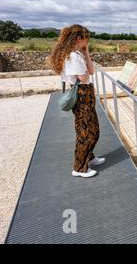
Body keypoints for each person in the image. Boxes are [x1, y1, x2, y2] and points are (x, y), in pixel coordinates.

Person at [50, 24, 105, 178]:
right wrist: (86, 67)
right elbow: (85, 77)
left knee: (87, 128)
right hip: (82, 95)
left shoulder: (75, 53)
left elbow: (91, 72)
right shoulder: (73, 56)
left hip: (84, 94)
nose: (87, 42)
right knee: (89, 132)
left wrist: (86, 52)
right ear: (79, 38)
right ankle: (79, 168)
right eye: (86, 39)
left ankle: (89, 158)